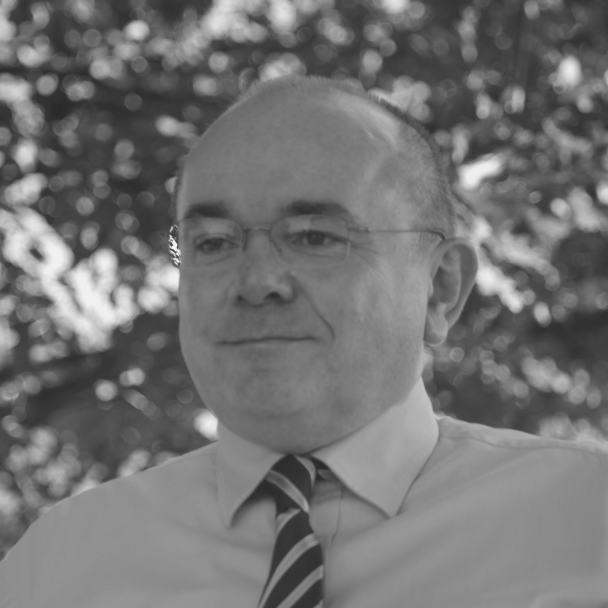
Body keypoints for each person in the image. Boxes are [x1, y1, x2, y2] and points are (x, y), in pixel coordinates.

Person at [1, 75, 607, 608]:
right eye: (212, 241)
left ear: (441, 288)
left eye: (316, 235)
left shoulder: (585, 520)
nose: (256, 281)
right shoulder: (60, 566)